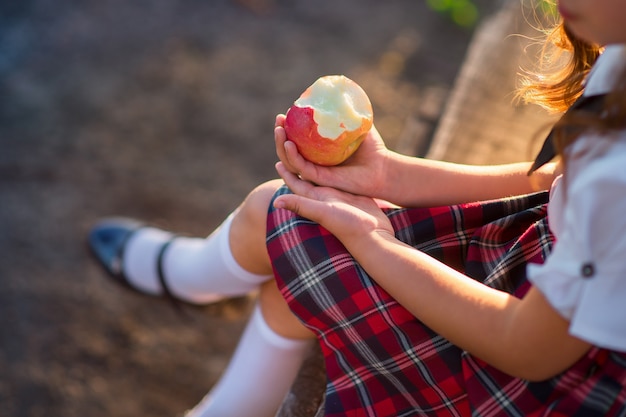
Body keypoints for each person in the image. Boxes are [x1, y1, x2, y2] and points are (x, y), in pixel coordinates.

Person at [88, 0, 626, 415]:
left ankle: (195, 279)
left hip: (538, 379)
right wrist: (392, 175)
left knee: (288, 217)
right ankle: (228, 384)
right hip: (538, 267)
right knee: (305, 241)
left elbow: (529, 350)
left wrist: (375, 241)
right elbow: (561, 178)